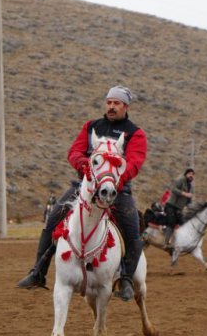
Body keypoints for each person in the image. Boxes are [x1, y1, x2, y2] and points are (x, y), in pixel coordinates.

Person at [17, 85, 147, 301]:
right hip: (84, 186)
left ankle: (124, 279)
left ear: (126, 106)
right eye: (109, 102)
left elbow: (134, 163)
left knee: (132, 229)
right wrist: (87, 166)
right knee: (53, 219)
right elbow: (74, 151)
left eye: (116, 103)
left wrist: (111, 179)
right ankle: (38, 271)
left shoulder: (135, 133)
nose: (112, 106)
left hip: (118, 190)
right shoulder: (90, 127)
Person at [163, 168, 195, 241]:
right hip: (171, 205)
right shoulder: (180, 180)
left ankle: (177, 241)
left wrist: (191, 208)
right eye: (189, 174)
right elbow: (173, 189)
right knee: (172, 221)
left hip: (179, 208)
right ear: (186, 174)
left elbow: (189, 199)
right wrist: (184, 193)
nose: (191, 175)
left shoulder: (191, 187)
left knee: (183, 223)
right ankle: (165, 240)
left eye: (193, 174)